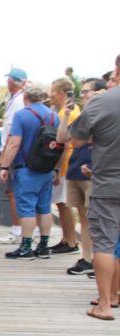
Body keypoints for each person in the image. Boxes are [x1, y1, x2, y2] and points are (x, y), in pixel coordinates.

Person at [68, 85, 120, 320]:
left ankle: (105, 305)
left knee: (105, 244)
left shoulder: (102, 102)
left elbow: (76, 140)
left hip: (109, 184)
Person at [0, 83, 60, 260]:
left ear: (26, 98)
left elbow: (14, 143)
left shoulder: (22, 115)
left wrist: (5, 166)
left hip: (26, 168)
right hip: (47, 168)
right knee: (44, 207)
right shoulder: (54, 116)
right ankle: (43, 246)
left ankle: (26, 247)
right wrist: (56, 167)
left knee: (26, 208)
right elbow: (61, 143)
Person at [58, 78, 108, 276]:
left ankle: (101, 260)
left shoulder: (105, 111)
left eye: (87, 92)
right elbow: (62, 138)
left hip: (96, 171)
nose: (83, 96)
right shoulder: (84, 115)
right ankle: (87, 258)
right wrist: (66, 115)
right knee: (85, 219)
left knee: (97, 219)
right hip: (76, 168)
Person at [47, 78, 82, 256]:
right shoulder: (72, 110)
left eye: (53, 91)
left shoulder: (65, 114)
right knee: (62, 203)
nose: (50, 95)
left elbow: (64, 143)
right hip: (69, 163)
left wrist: (57, 168)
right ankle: (67, 238)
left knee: (63, 204)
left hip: (66, 164)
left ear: (61, 93)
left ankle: (70, 240)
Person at [0, 68, 29, 245]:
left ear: (11, 81)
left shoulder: (18, 101)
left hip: (12, 151)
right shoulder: (18, 100)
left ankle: (17, 230)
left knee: (12, 192)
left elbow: (14, 132)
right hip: (15, 150)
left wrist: (4, 157)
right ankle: (25, 229)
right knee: (14, 192)